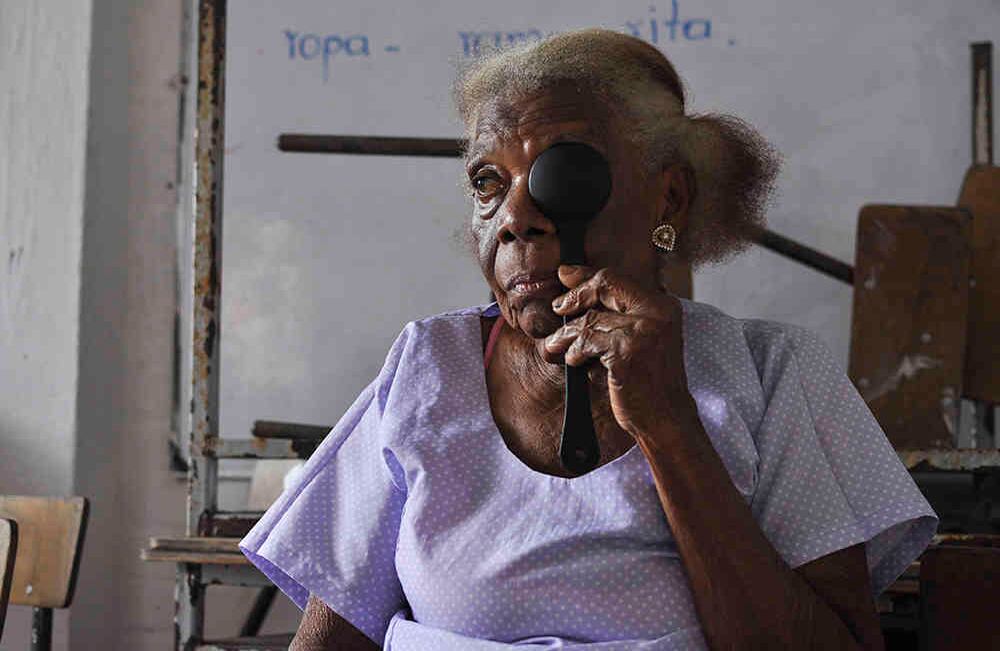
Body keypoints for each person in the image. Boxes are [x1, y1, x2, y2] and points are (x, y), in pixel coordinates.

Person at [239, 29, 937, 650]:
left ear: (668, 199)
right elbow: (333, 636)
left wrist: (668, 423)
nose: (515, 218)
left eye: (562, 176)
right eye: (487, 182)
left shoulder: (772, 374)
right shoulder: (429, 366)